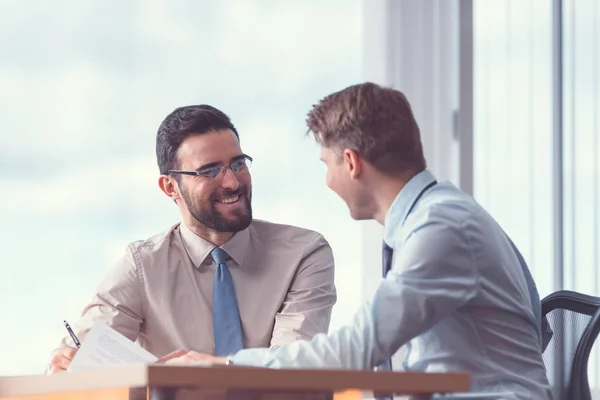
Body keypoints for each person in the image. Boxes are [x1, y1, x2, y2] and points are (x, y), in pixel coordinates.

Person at [161, 83, 553, 400]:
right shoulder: (445, 215)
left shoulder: (440, 228)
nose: (328, 180)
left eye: (326, 165)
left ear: (351, 163)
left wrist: (225, 367)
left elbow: (356, 349)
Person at [47, 105, 337, 373]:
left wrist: (210, 368)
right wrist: (63, 367)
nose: (232, 182)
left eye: (237, 164)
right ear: (170, 187)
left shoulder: (303, 253)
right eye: (210, 171)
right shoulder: (142, 266)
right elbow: (78, 360)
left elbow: (291, 367)